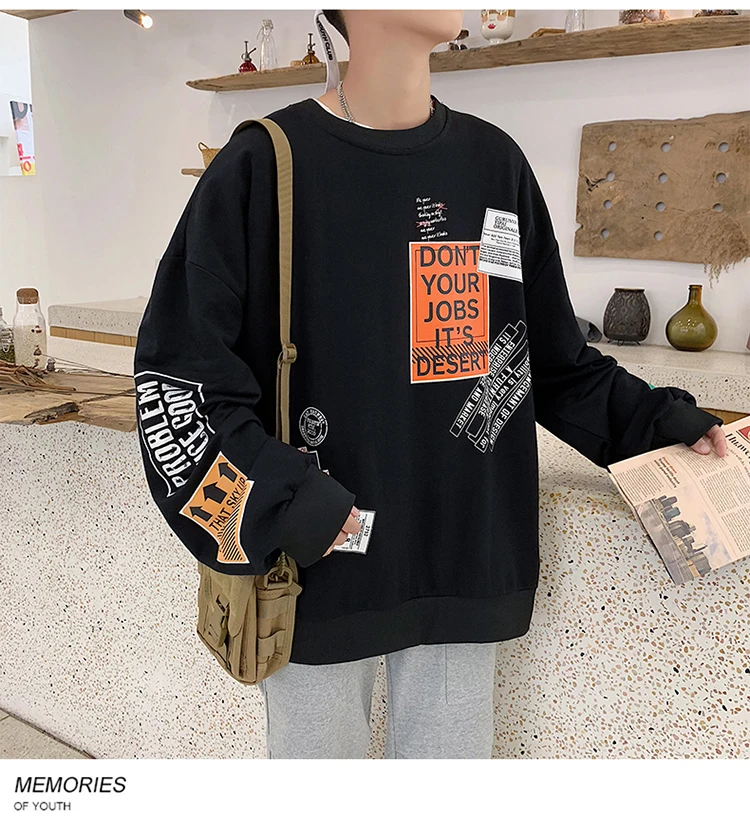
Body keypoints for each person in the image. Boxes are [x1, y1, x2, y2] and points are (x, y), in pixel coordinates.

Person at [133, 9, 727, 759]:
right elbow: (179, 379)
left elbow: (548, 360)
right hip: (319, 572)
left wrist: (661, 422)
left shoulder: (493, 166)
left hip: (460, 559)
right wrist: (293, 506)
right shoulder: (263, 164)